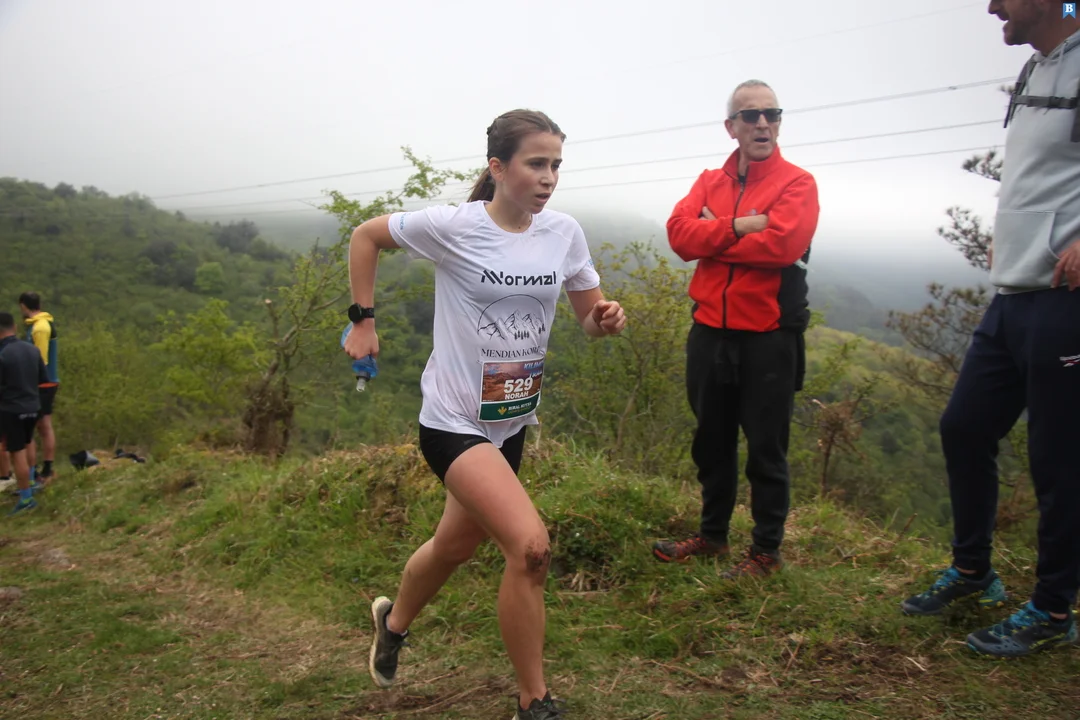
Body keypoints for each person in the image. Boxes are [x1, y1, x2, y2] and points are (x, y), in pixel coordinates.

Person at [343, 109, 626, 719]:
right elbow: (366, 236)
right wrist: (362, 321)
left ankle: (393, 624)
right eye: (536, 163)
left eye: (556, 165)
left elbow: (588, 317)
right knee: (530, 548)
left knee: (453, 546)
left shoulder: (563, 233)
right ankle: (534, 700)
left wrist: (604, 320)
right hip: (452, 422)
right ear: (498, 167)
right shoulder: (456, 226)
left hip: (511, 419)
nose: (549, 177)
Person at [900, 0, 1080, 658]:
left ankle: (1053, 609)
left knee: (1059, 457)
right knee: (965, 427)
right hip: (1013, 293)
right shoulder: (1039, 68)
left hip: (1066, 297)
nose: (993, 6)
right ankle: (974, 572)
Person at [654, 79, 819, 578]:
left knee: (766, 449)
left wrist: (713, 233)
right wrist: (741, 225)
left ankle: (766, 552)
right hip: (709, 332)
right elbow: (679, 236)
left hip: (770, 335)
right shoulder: (710, 180)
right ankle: (712, 537)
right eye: (750, 115)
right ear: (732, 127)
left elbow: (782, 247)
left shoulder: (797, 183)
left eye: (772, 114)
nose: (763, 123)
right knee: (712, 442)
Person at [0, 311, 48, 515]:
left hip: (12, 409)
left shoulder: (2, 353)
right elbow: (43, 378)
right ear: (15, 327)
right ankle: (30, 481)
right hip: (33, 406)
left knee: (16, 452)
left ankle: (26, 498)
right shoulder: (32, 349)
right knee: (29, 442)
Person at [19, 292, 58, 484]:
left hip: (42, 383)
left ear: (23, 306)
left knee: (37, 427)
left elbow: (40, 359)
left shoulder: (40, 327)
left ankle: (41, 471)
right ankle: (39, 471)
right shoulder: (36, 325)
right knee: (42, 426)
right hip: (44, 382)